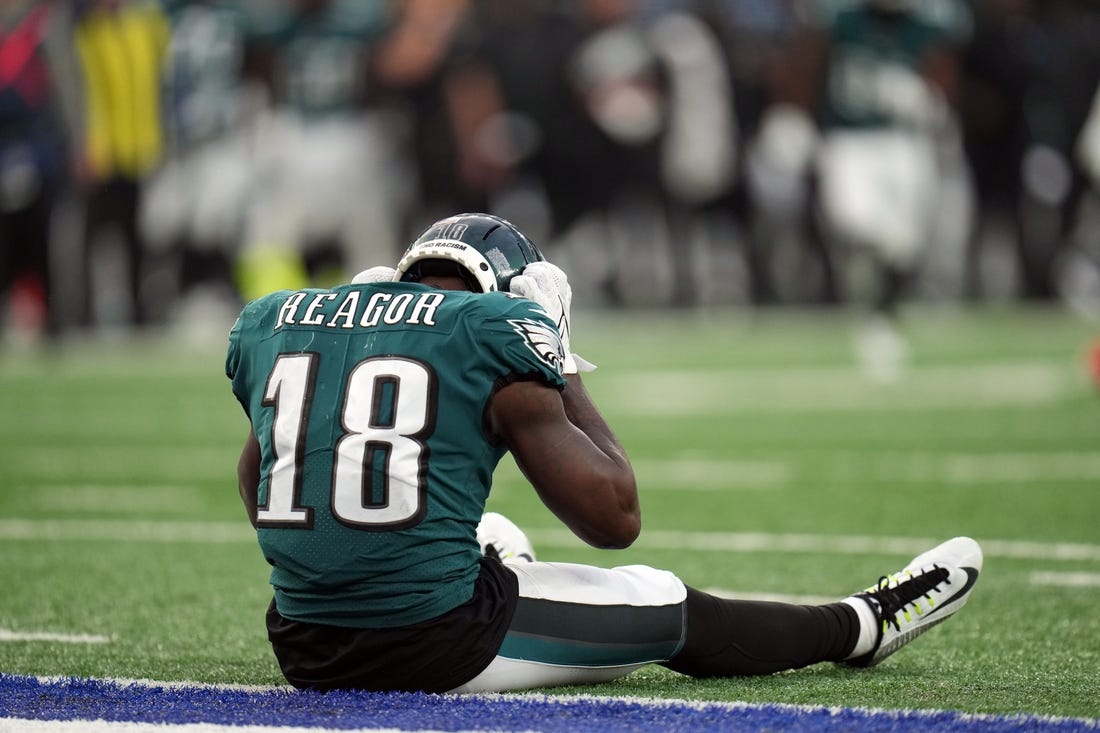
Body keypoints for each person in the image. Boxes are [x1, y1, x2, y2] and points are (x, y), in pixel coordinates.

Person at [226, 212, 983, 694]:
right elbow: (615, 515)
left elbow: (256, 480)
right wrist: (552, 356)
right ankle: (860, 624)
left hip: (301, 640)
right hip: (432, 642)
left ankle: (489, 577)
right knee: (656, 597)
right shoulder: (489, 332)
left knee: (497, 536)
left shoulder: (287, 316)